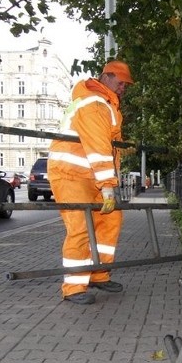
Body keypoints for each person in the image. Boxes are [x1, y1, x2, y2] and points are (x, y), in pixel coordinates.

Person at [47, 60, 134, 305]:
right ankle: (74, 286)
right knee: (81, 227)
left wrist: (123, 150)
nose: (123, 88)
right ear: (106, 77)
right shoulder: (94, 104)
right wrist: (108, 184)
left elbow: (106, 146)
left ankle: (98, 273)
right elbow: (98, 148)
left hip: (90, 176)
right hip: (71, 175)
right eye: (120, 82)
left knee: (110, 220)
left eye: (126, 85)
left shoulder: (106, 105)